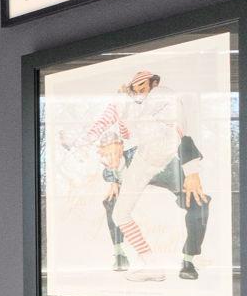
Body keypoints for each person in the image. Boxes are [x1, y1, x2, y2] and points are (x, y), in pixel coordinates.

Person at [76, 69, 210, 281]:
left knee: (199, 202)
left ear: (153, 84)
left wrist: (191, 171)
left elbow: (183, 132)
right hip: (144, 159)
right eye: (136, 90)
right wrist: (112, 174)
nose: (140, 94)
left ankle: (189, 260)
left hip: (169, 159)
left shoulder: (163, 96)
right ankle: (150, 264)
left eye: (143, 88)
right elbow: (122, 134)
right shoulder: (130, 106)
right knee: (119, 212)